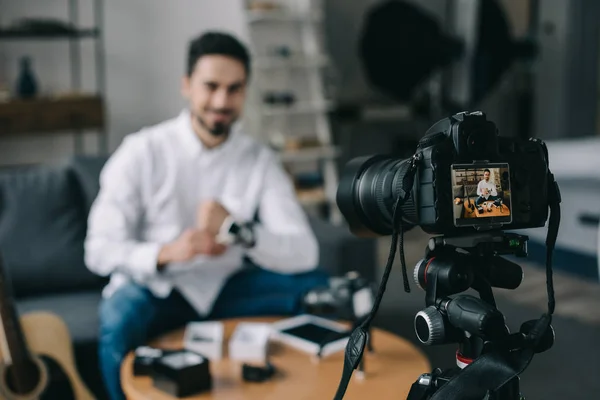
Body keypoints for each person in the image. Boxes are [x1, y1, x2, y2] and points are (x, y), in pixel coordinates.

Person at [84, 31, 328, 400]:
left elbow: (304, 251)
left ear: (246, 91)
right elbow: (98, 250)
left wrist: (239, 230)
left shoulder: (259, 161)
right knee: (118, 320)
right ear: (186, 85)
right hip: (157, 289)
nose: (221, 100)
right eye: (211, 86)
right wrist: (165, 253)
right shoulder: (141, 152)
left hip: (227, 287)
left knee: (322, 290)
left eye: (234, 89)